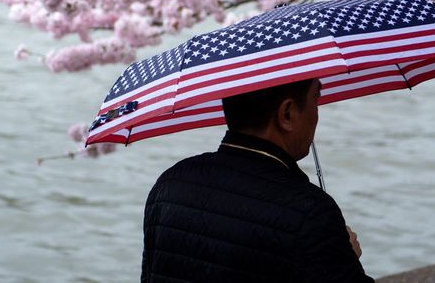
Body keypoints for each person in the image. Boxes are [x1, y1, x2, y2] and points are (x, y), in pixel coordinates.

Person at [141, 78, 374, 282]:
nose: (316, 113)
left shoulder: (169, 185)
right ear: (287, 114)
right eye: (316, 98)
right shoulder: (311, 213)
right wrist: (344, 258)